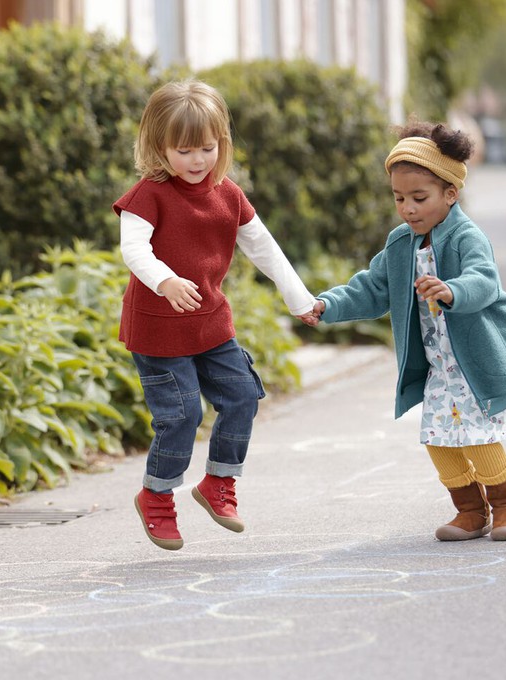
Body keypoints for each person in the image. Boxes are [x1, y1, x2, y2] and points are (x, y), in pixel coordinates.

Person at [114, 79, 318, 551]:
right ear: (158, 147)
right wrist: (164, 279)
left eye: (206, 148)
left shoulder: (228, 195)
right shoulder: (148, 195)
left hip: (209, 325)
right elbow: (133, 249)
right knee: (183, 413)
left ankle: (218, 483)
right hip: (158, 330)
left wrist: (299, 299)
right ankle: (157, 495)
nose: (197, 160)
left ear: (221, 145)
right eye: (184, 150)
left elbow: (264, 249)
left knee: (244, 395)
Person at [312, 119, 506, 541]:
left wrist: (451, 290)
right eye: (399, 198)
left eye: (420, 198)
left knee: (475, 437)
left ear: (450, 194)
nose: (408, 208)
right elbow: (372, 287)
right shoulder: (402, 244)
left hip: (476, 361)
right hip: (439, 369)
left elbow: (484, 280)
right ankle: (470, 510)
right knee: (438, 440)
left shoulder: (467, 237)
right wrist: (327, 305)